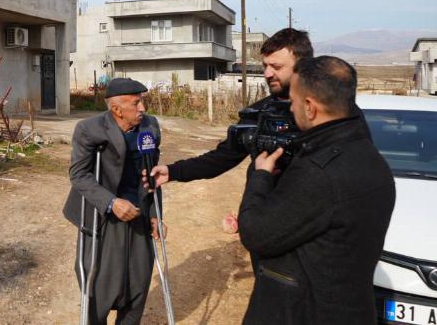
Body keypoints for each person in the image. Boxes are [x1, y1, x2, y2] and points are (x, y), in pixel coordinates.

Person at [237, 56, 395, 324]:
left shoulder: (320, 171)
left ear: (310, 108)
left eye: (295, 102)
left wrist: (260, 176)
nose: (292, 109)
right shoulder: (371, 157)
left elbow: (255, 233)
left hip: (304, 313)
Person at [146, 27, 313, 188]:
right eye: (265, 66)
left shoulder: (325, 111)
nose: (267, 74)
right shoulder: (257, 113)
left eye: (276, 67)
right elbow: (223, 157)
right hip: (261, 210)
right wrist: (173, 172)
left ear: (303, 67)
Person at [62, 77, 164, 325]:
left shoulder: (150, 126)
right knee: (99, 285)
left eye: (143, 102)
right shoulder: (90, 129)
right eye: (136, 103)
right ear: (117, 109)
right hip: (102, 217)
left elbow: (154, 172)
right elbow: (79, 174)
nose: (143, 109)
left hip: (138, 212)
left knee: (137, 283)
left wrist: (155, 214)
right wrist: (111, 202)